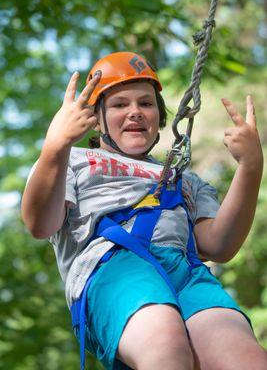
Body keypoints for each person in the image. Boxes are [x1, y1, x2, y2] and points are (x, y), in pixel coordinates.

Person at [21, 52, 267, 370]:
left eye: (146, 103)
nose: (135, 112)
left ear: (159, 115)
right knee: (165, 345)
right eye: (120, 104)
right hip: (113, 266)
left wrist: (251, 167)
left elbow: (219, 246)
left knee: (245, 358)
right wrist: (55, 146)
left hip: (185, 271)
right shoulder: (73, 161)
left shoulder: (185, 179)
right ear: (96, 118)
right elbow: (39, 224)